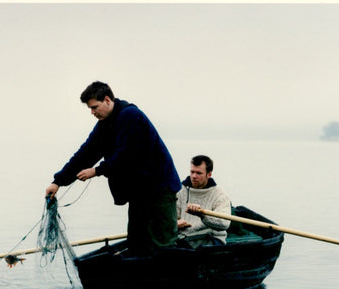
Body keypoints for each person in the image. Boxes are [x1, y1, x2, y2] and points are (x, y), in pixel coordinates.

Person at [45, 81, 181, 257]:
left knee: (163, 245)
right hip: (139, 192)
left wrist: (97, 171)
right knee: (137, 244)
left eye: (95, 107)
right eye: (90, 109)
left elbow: (128, 155)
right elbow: (86, 153)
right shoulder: (105, 124)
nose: (92, 113)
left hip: (160, 189)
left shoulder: (130, 116)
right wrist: (58, 182)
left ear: (108, 100)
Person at [176, 155, 231, 246]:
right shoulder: (180, 191)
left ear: (209, 174)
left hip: (211, 238)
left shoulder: (220, 195)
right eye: (192, 172)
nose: (194, 176)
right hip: (185, 238)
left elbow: (224, 223)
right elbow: (171, 219)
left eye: (199, 173)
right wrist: (175, 224)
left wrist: (202, 215)